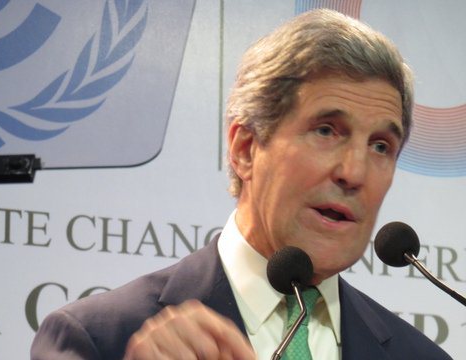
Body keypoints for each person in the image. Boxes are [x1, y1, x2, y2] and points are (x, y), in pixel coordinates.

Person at [31, 9, 453, 360]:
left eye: (381, 146)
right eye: (327, 130)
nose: (355, 173)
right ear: (246, 148)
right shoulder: (98, 338)